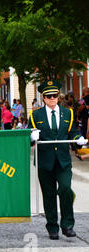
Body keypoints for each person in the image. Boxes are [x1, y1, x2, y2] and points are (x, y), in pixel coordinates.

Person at [28, 80, 87, 240]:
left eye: (54, 96)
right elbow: (28, 138)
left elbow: (72, 132)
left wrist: (78, 138)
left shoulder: (67, 113)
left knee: (65, 189)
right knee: (48, 195)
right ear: (44, 98)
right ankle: (52, 227)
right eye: (49, 96)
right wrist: (31, 137)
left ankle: (67, 225)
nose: (52, 98)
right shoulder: (35, 115)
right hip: (44, 161)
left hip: (63, 161)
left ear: (58, 97)